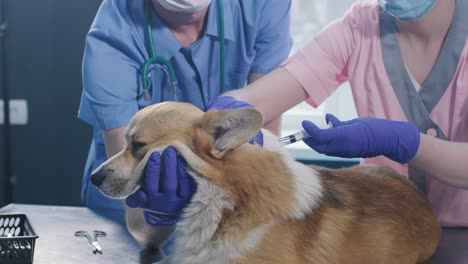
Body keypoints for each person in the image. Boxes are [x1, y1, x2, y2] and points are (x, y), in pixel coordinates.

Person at [218, 0, 468, 227]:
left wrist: (399, 141)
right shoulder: (359, 27)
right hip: (381, 233)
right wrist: (227, 110)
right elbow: (259, 99)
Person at [78, 0, 292, 247]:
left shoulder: (261, 5)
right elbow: (139, 223)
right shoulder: (112, 37)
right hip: (126, 199)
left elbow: (267, 121)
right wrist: (158, 215)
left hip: (219, 192)